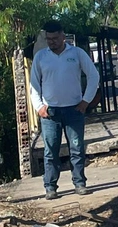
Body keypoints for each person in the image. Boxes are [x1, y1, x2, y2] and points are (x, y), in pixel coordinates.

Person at [30, 21, 100, 200]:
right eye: (48, 39)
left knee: (76, 148)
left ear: (63, 36)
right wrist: (39, 107)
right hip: (50, 112)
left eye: (55, 38)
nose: (52, 42)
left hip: (74, 110)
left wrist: (86, 101)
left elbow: (93, 75)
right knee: (51, 151)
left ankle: (79, 183)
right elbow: (34, 85)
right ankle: (50, 187)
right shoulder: (40, 57)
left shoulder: (77, 54)